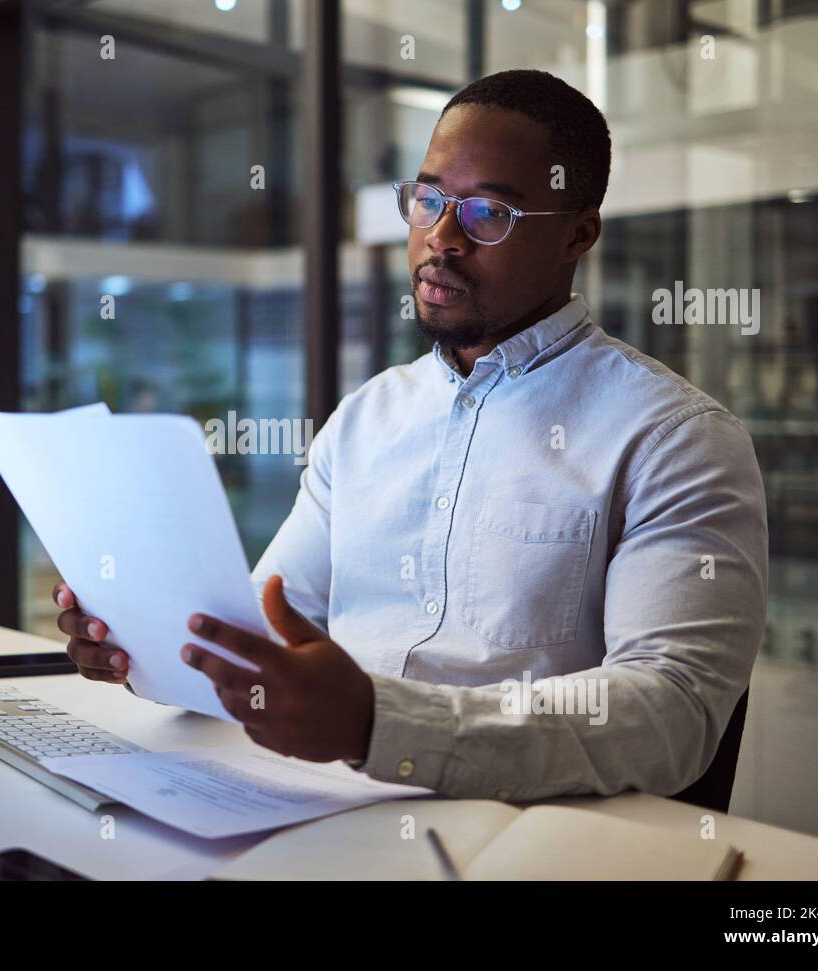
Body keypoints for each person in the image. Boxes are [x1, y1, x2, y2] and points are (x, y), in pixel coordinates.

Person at [52, 69, 767, 801]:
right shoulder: (365, 419)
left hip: (527, 834)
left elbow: (673, 713)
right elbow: (267, 629)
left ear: (577, 233)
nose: (442, 237)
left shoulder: (676, 439)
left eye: (490, 211)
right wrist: (142, 640)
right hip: (321, 803)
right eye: (428, 199)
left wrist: (379, 726)